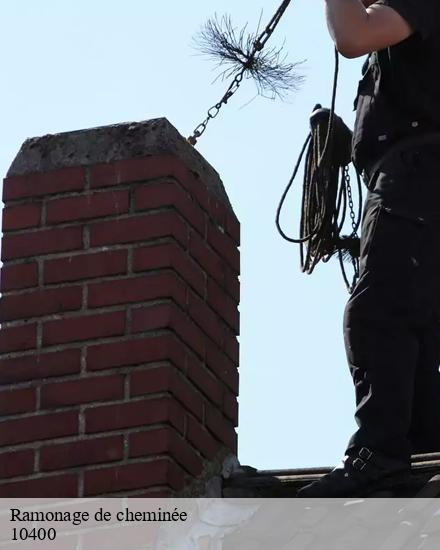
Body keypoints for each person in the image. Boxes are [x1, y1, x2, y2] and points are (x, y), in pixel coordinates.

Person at [298, 0, 440, 497]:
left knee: (377, 314)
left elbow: (351, 35)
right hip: (415, 177)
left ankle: (380, 453)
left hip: (416, 177)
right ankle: (421, 446)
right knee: (417, 324)